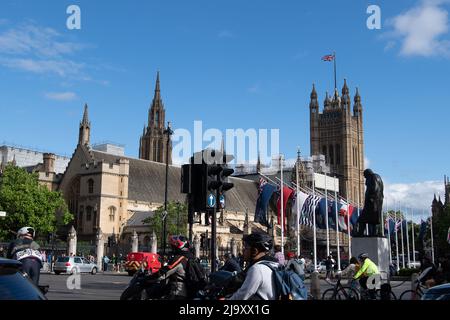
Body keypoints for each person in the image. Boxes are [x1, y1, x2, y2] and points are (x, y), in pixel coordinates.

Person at [229, 232, 279, 300]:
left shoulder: (257, 269)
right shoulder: (274, 264)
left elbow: (243, 295)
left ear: (254, 251)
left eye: (246, 248)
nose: (243, 250)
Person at [158, 235, 200, 300]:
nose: (172, 249)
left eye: (173, 247)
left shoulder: (179, 259)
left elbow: (164, 273)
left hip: (178, 292)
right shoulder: (192, 257)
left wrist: (148, 278)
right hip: (189, 292)